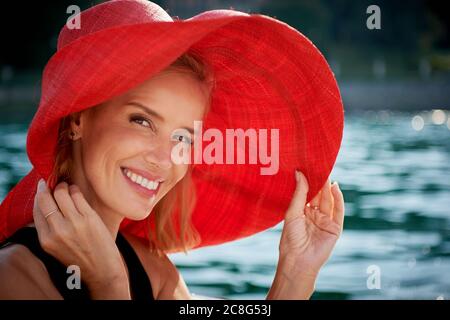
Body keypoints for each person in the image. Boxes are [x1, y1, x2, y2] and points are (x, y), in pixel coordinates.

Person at [0, 0, 345, 300]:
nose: (167, 159)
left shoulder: (153, 271)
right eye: (143, 121)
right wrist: (108, 283)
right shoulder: (12, 278)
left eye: (184, 137)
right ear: (77, 120)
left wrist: (295, 273)